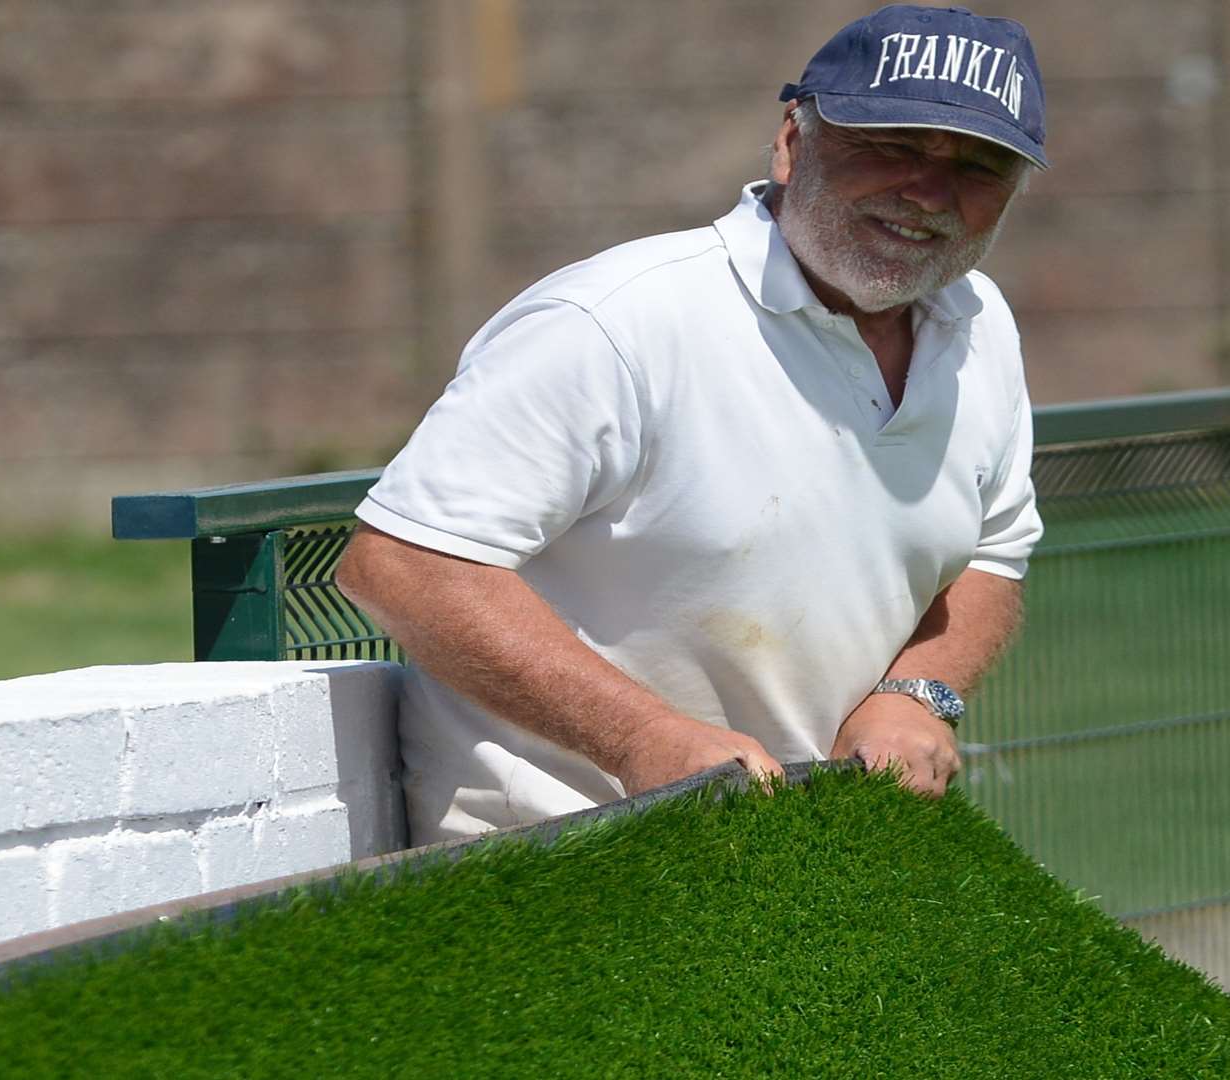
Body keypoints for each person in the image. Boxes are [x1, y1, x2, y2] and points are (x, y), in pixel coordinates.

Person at [336, 4, 1049, 843]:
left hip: (814, 848)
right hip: (556, 857)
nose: (929, 193)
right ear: (792, 142)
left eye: (979, 165)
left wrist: (917, 694)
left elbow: (995, 554)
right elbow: (406, 563)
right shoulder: (615, 322)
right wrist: (642, 739)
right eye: (891, 147)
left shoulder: (978, 323)